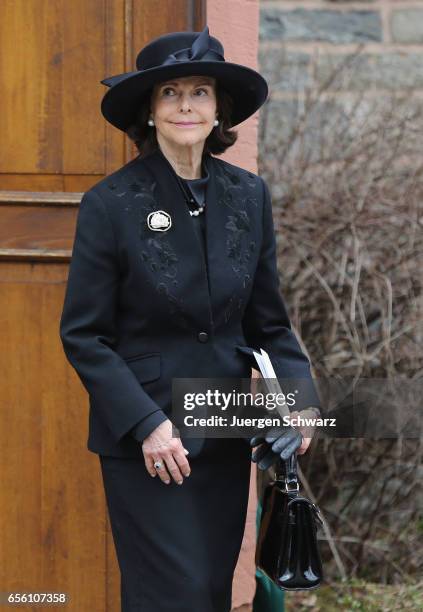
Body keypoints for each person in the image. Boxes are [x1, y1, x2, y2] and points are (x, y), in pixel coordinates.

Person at [59, 25, 322, 612]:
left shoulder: (249, 197)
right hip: (151, 443)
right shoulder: (110, 204)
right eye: (170, 93)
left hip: (223, 431)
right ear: (150, 113)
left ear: (218, 110)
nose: (186, 105)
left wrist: (301, 405)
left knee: (207, 593)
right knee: (169, 597)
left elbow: (270, 326)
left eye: (199, 92)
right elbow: (84, 335)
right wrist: (147, 424)